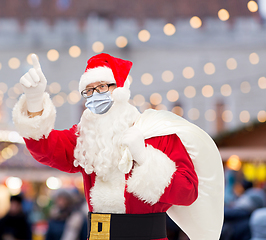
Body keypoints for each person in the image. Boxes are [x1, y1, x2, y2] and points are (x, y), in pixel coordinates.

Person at [12, 53, 224, 240]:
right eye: (88, 91)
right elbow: (46, 148)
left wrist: (145, 158)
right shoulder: (85, 136)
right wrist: (34, 102)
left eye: (102, 86)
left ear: (120, 88)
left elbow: (187, 192)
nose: (95, 95)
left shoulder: (157, 134)